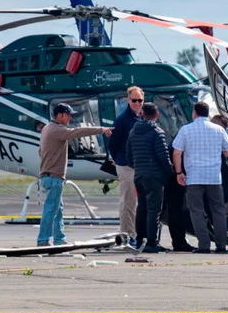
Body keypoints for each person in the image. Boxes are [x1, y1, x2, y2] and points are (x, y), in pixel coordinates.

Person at [37, 103, 112, 246]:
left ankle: (59, 239)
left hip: (47, 175)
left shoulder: (47, 128)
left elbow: (40, 151)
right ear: (60, 115)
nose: (70, 118)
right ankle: (43, 240)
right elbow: (78, 132)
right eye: (68, 115)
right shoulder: (58, 129)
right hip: (54, 177)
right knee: (51, 209)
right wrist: (101, 129)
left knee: (58, 210)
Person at [172, 102, 228, 254]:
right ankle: (221, 245)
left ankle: (204, 245)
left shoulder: (186, 130)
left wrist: (179, 173)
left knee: (197, 211)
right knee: (218, 211)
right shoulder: (219, 130)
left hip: (194, 176)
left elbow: (177, 152)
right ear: (208, 113)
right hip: (214, 177)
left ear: (195, 113)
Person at [126, 103, 174, 253]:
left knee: (142, 208)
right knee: (154, 209)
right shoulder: (157, 132)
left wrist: (138, 167)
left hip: (139, 175)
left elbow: (129, 157)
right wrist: (170, 173)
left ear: (142, 114)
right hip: (154, 176)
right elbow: (163, 157)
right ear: (156, 115)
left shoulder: (133, 132)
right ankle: (152, 242)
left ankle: (140, 240)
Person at [108, 86, 144, 242]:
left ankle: (135, 232)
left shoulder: (140, 117)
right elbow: (113, 143)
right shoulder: (122, 119)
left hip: (138, 165)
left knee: (137, 202)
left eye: (140, 100)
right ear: (128, 100)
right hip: (126, 165)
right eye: (134, 100)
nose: (137, 103)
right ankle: (127, 234)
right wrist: (118, 160)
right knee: (128, 200)